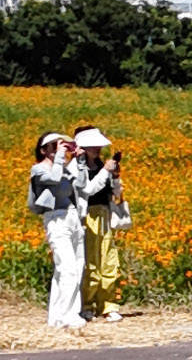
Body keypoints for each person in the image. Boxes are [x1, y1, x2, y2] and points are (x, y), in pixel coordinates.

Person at [72, 126, 132, 321]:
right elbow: (88, 189)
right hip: (86, 216)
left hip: (104, 214)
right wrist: (105, 171)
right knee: (90, 262)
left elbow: (115, 193)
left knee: (108, 260)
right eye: (92, 146)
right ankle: (86, 304)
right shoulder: (76, 168)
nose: (97, 149)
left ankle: (108, 305)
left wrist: (115, 176)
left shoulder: (100, 165)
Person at [29, 131, 86, 328]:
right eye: (53, 146)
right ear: (43, 150)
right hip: (56, 219)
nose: (58, 149)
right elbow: (53, 179)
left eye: (60, 145)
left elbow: (81, 185)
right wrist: (61, 156)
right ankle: (66, 317)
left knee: (76, 266)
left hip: (72, 216)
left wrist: (79, 161)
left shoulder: (63, 168)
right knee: (67, 267)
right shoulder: (38, 169)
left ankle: (60, 315)